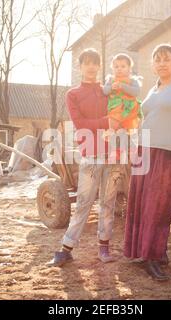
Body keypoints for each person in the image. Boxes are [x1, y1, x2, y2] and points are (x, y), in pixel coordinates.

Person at [123, 44, 171, 281]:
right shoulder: (152, 90)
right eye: (157, 60)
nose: (161, 63)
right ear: (152, 65)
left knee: (158, 207)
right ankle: (141, 253)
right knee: (140, 205)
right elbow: (143, 120)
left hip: (167, 154)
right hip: (143, 152)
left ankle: (154, 257)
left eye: (166, 59)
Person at [47, 48, 122, 267]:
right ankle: (66, 249)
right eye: (86, 63)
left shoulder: (109, 91)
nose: (90, 67)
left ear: (99, 66)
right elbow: (80, 125)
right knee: (83, 203)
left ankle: (104, 248)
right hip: (90, 155)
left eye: (94, 63)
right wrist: (106, 121)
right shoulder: (73, 94)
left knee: (108, 203)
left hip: (112, 155)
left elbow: (122, 114)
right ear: (79, 67)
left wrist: (114, 121)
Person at [103, 53, 143, 132]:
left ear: (129, 68)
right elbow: (105, 91)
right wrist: (111, 88)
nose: (119, 69)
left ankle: (129, 140)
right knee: (113, 129)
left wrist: (123, 86)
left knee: (130, 130)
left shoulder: (132, 81)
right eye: (116, 67)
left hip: (129, 109)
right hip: (115, 109)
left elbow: (136, 92)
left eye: (123, 66)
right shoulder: (111, 80)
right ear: (112, 68)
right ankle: (114, 140)